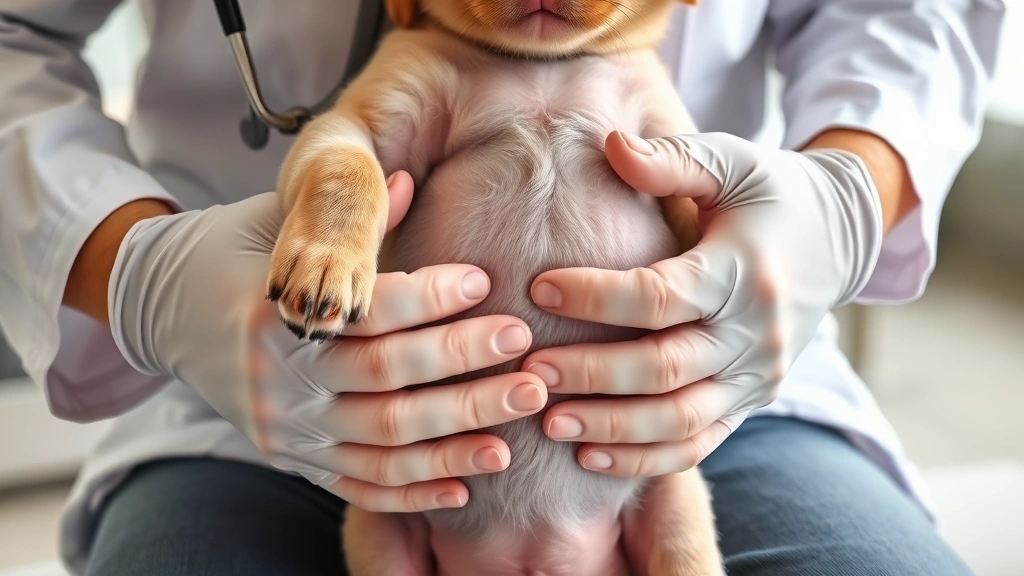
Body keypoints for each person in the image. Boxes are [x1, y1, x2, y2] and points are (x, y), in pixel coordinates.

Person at [0, 0, 1004, 574]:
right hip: (239, 393)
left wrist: (834, 202)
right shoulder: (426, 60)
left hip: (703, 404)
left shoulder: (636, 73)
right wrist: (140, 272)